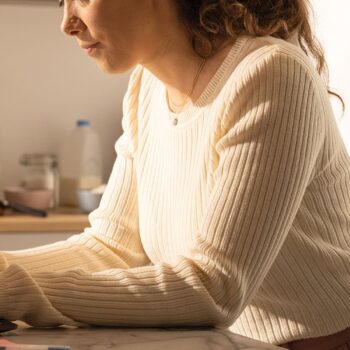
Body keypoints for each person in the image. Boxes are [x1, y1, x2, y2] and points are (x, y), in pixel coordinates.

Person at [1, 0, 349, 348]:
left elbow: (214, 287)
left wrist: (14, 291)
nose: (67, 23)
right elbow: (113, 247)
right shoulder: (146, 87)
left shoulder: (272, 75)